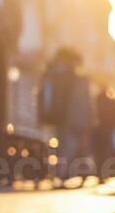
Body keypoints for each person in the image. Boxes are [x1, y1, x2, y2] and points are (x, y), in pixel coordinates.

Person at [39, 48, 93, 187]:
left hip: (69, 118)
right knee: (68, 146)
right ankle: (66, 173)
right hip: (67, 118)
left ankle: (67, 173)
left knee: (69, 146)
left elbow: (84, 101)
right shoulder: (65, 78)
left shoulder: (64, 78)